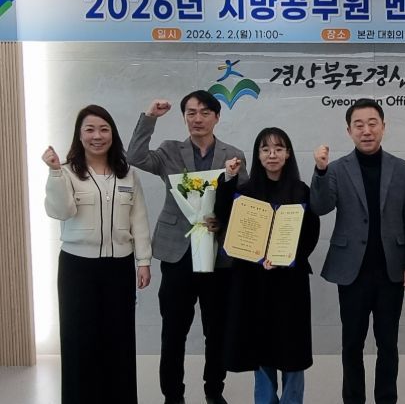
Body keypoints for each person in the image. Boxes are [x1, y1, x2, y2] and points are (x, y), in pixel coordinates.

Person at [128, 91, 247, 404]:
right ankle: (173, 395)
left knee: (216, 330)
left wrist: (223, 221)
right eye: (191, 112)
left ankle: (214, 391)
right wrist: (149, 117)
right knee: (173, 331)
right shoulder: (170, 150)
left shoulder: (233, 154)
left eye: (205, 112)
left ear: (217, 117)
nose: (197, 118)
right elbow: (135, 157)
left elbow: (242, 201)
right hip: (177, 252)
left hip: (217, 255)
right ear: (184, 117)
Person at [310, 98, 405, 404]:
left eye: (372, 123)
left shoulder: (401, 168)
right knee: (352, 345)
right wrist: (320, 171)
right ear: (349, 131)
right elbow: (320, 207)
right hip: (352, 272)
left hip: (390, 270)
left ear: (384, 127)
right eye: (358, 125)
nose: (366, 130)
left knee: (388, 344)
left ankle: (386, 399)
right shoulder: (336, 169)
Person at [43, 105, 152, 404]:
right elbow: (60, 211)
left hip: (119, 267)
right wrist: (54, 172)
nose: (97, 136)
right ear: (79, 135)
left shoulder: (127, 174)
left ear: (112, 134)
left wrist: (143, 261)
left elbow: (139, 219)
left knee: (119, 340)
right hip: (77, 268)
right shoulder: (66, 171)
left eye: (104, 129)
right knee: (79, 341)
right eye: (89, 130)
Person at [213, 127, 320, 404]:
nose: (272, 155)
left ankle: (292, 400)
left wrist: (285, 258)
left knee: (292, 351)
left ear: (288, 154)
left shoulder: (301, 191)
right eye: (265, 149)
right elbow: (223, 218)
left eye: (278, 149)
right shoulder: (245, 191)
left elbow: (310, 234)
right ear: (258, 155)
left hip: (290, 283)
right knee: (260, 349)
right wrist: (228, 178)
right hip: (254, 283)